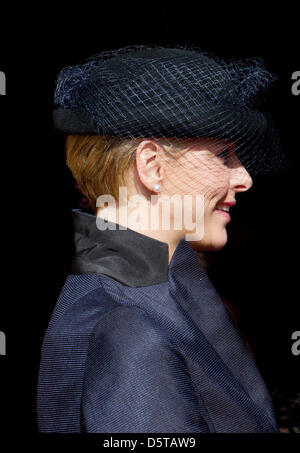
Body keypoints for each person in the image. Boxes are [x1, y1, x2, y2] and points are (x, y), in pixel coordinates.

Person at [37, 45, 288, 433]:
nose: (245, 178)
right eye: (223, 156)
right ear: (151, 166)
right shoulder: (129, 331)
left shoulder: (137, 290)